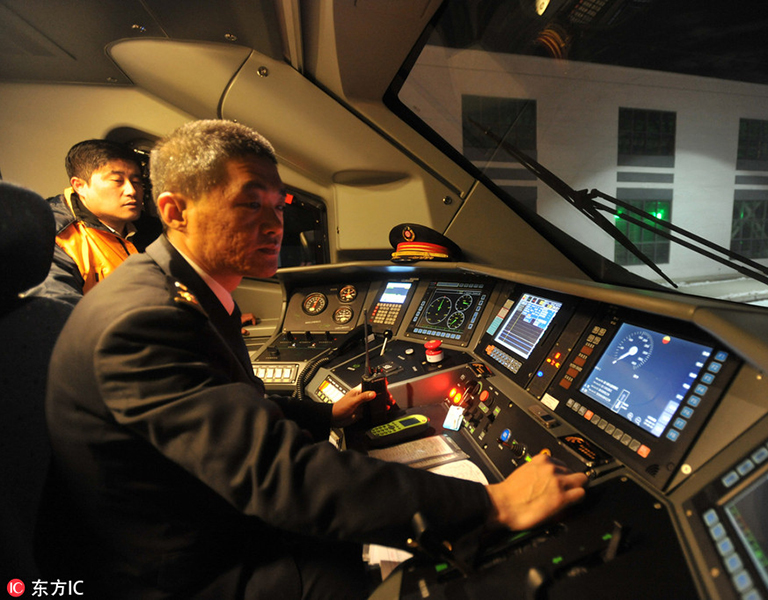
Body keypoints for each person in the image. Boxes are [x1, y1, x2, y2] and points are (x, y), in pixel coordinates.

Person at [38, 119, 588, 599]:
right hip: (186, 573)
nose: (275, 224)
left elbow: (227, 403)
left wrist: (325, 414)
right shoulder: (145, 319)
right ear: (174, 211)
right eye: (250, 203)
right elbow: (281, 475)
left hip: (198, 522)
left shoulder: (180, 288)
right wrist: (491, 504)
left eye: (279, 206)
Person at [25, 139, 145, 305]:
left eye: (136, 182)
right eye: (117, 181)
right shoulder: (52, 236)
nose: (131, 190)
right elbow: (58, 309)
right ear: (79, 186)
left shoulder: (152, 228)